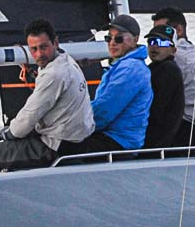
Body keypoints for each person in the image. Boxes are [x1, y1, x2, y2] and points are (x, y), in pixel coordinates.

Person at [0, 19, 94, 175]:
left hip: (55, 148)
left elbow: (30, 115)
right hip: (75, 143)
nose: (39, 54)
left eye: (43, 47)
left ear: (55, 43)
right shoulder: (67, 61)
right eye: (34, 49)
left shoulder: (54, 74)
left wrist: (10, 133)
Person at [59, 14, 150, 155]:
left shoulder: (130, 69)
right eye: (108, 38)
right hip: (115, 138)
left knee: (56, 146)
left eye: (118, 38)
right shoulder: (123, 66)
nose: (112, 43)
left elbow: (105, 110)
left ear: (135, 39)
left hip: (118, 142)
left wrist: (69, 126)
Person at [152, 6, 195, 143]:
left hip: (182, 127)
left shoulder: (175, 57)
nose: (156, 36)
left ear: (179, 29)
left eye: (161, 30)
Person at [141, 21, 187, 149]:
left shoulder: (168, 70)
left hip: (156, 141)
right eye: (151, 41)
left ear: (173, 50)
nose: (155, 46)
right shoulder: (153, 68)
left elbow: (157, 108)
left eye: (162, 43)